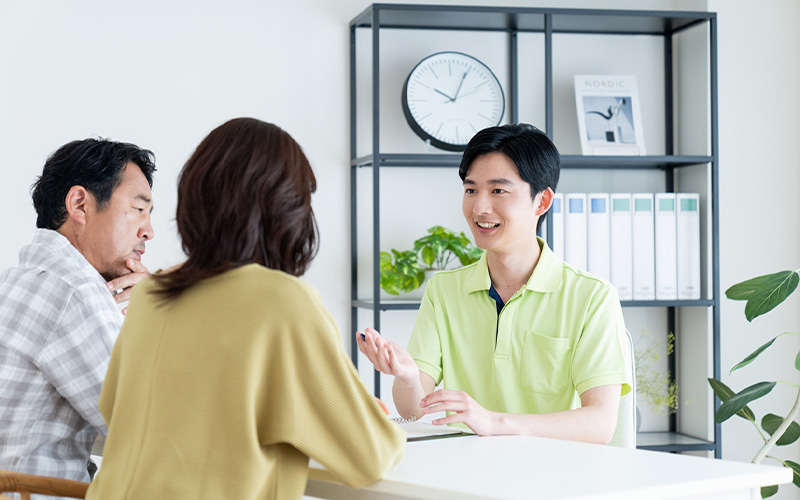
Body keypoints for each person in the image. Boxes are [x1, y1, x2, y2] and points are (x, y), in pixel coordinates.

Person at [85, 118, 405, 500]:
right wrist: (354, 411)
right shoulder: (283, 301)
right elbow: (371, 454)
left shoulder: (151, 295)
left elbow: (116, 409)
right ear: (287, 208)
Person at [357, 123, 631, 444]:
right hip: (466, 477)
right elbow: (413, 410)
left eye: (498, 191)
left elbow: (599, 424)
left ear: (542, 202)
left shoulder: (591, 297)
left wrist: (493, 422)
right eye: (471, 190)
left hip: (552, 476)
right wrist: (405, 377)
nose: (479, 208)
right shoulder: (444, 291)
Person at [0, 138, 156, 482]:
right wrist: (162, 315)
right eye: (138, 209)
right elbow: (154, 434)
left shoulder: (16, 279)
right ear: (80, 204)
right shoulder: (74, 291)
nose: (148, 230)